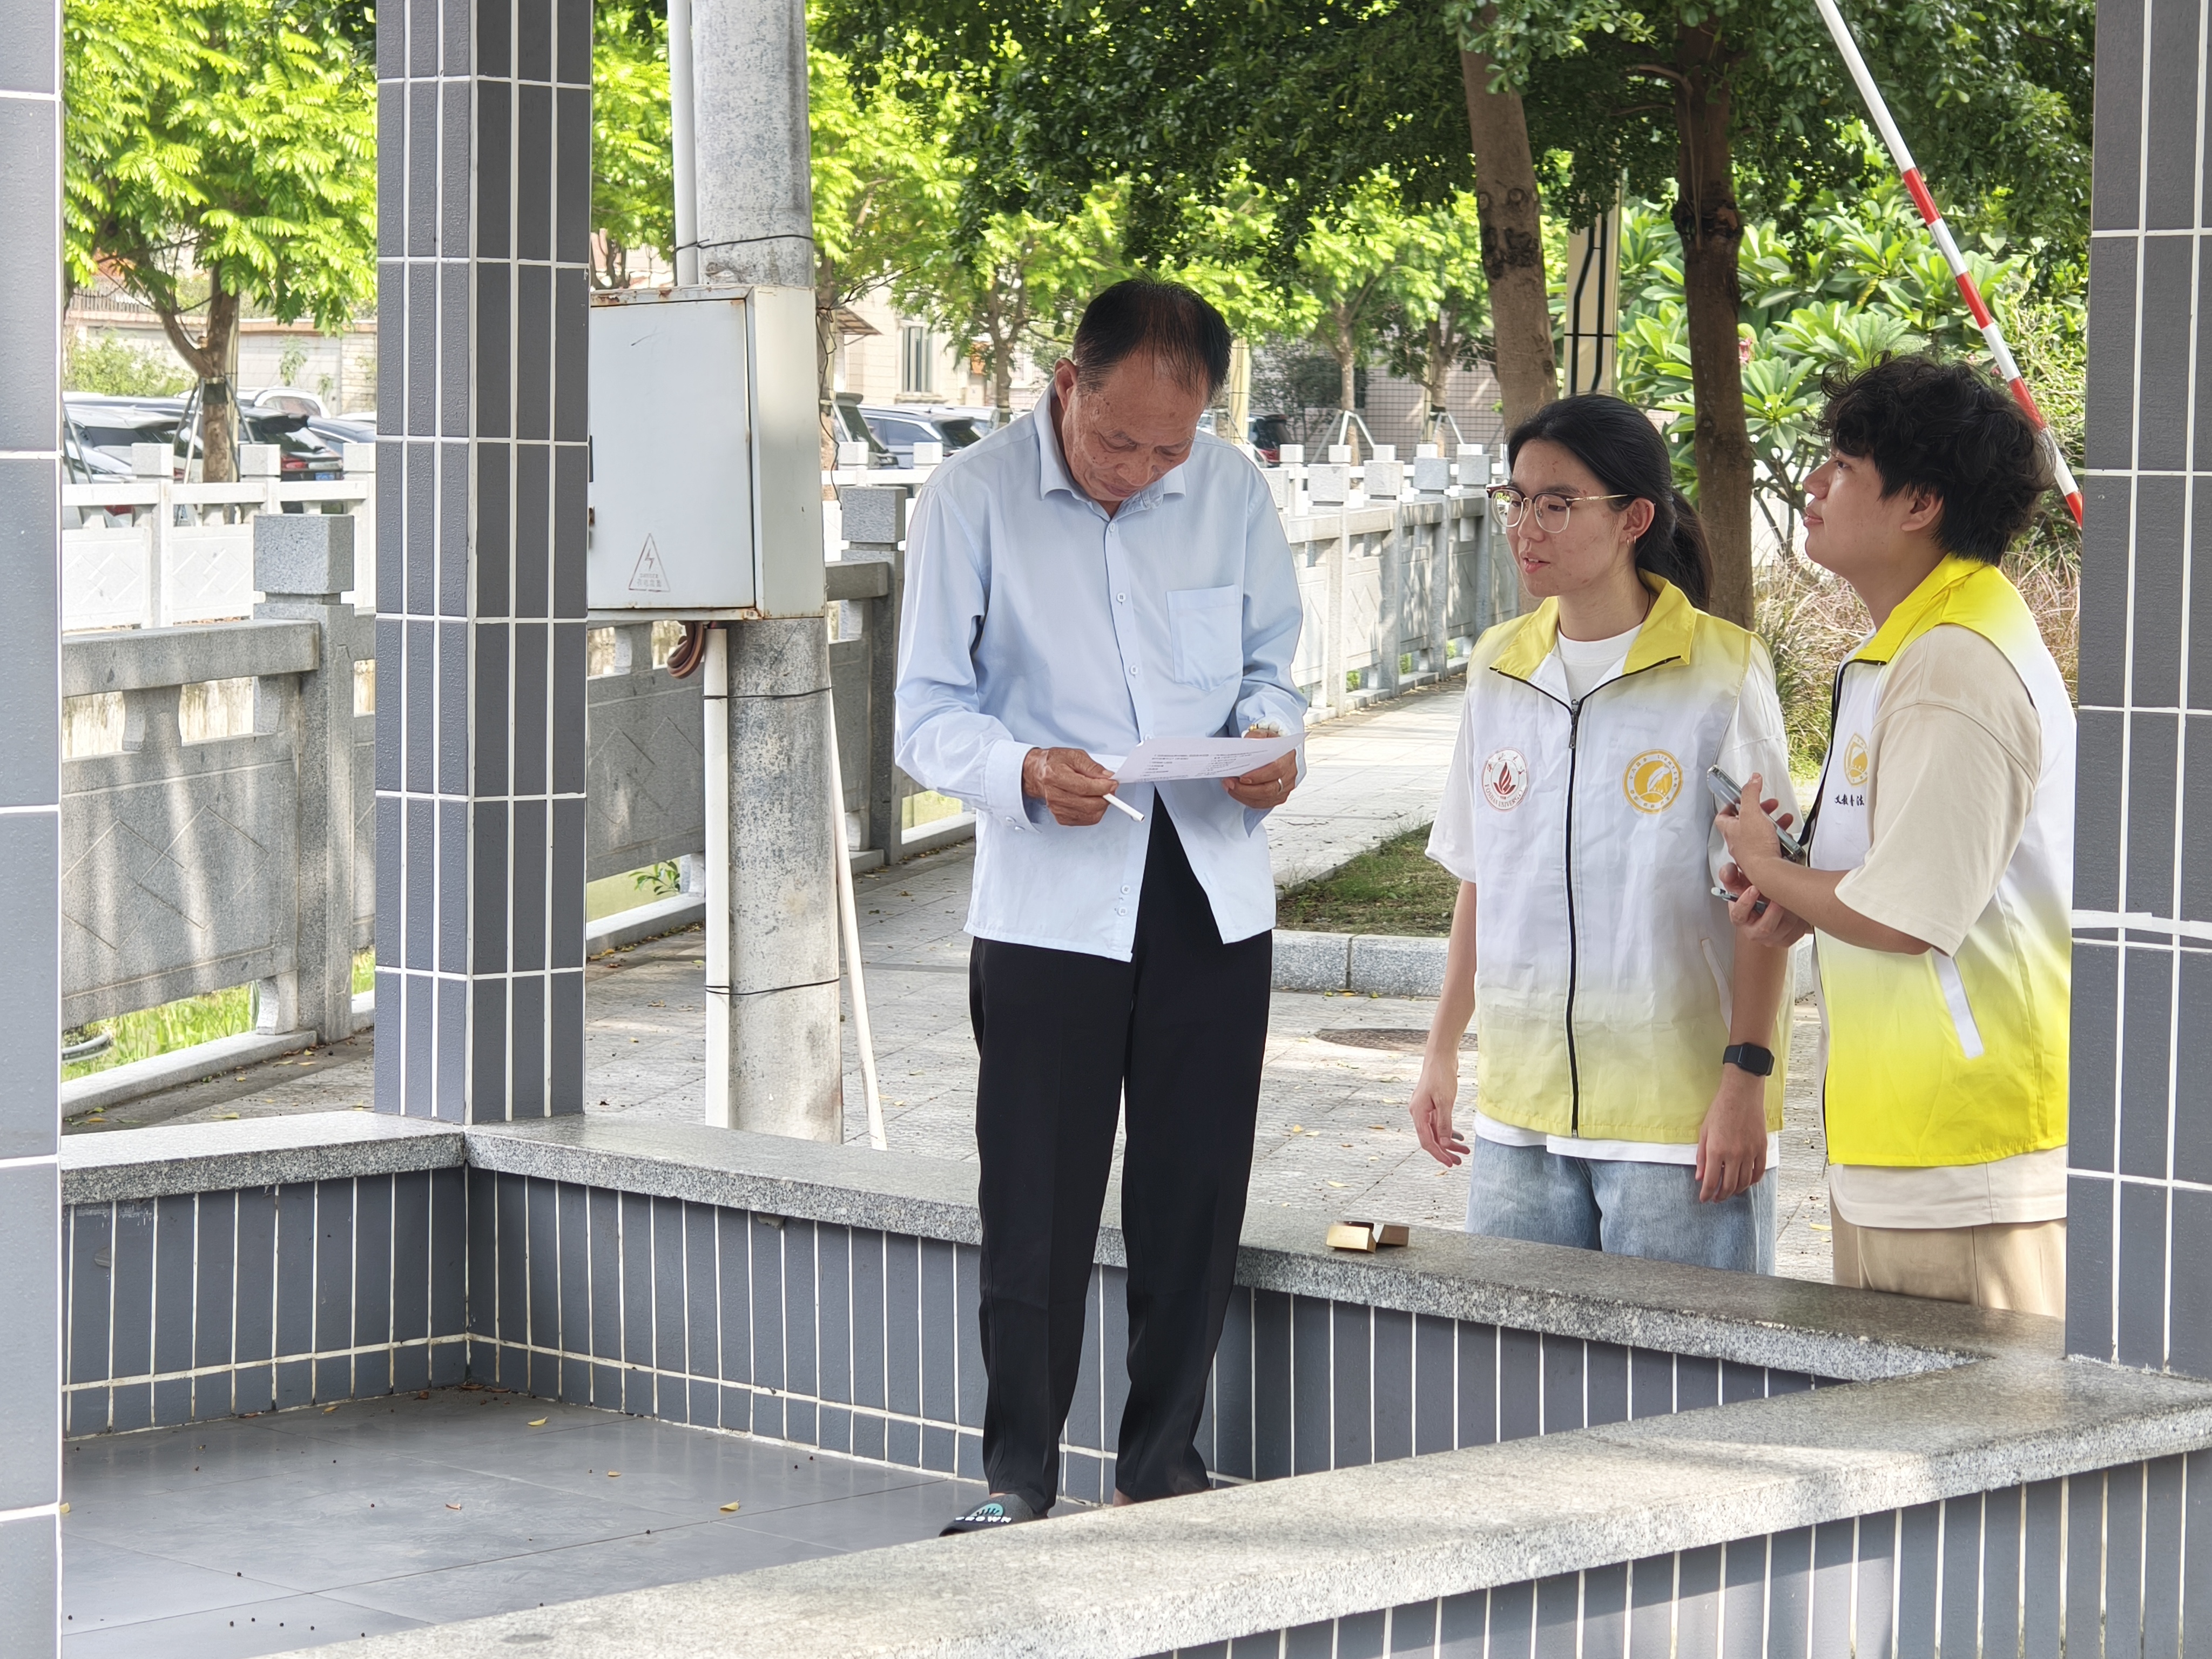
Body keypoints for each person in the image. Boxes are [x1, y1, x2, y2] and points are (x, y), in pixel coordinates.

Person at [894, 279, 1305, 1532]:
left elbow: (1268, 671)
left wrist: (1270, 738)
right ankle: (1018, 1477)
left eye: (1167, 446)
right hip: (1048, 907)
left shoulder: (1228, 492)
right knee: (1037, 1203)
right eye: (1116, 439)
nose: (1138, 468)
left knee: (1193, 1195)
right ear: (1066, 381)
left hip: (1208, 888)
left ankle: (1160, 1467)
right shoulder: (967, 501)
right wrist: (1017, 769)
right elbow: (921, 714)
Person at [1408, 394, 1796, 1273]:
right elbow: (1483, 877)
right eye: (1517, 500)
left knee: (1691, 1394)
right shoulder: (1499, 667)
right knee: (1515, 1387)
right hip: (1520, 1117)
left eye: (1556, 502)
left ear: (1634, 519)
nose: (1525, 526)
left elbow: (1767, 895)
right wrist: (1440, 1050)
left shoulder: (1722, 672)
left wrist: (1745, 1080)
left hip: (1676, 1122)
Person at [1716, 355, 2071, 1317]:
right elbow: (1894, 882)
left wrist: (1759, 864)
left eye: (1843, 463)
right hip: (1909, 1148)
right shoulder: (1917, 645)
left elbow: (1907, 915)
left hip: (1967, 1160)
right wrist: (1793, 898)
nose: (1815, 486)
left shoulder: (1954, 664)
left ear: (1919, 502)